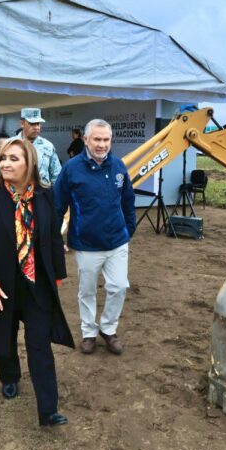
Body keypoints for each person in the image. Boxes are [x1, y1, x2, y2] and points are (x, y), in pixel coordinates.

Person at [0, 138, 74, 427]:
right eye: (3, 158)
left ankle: (47, 409)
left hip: (36, 284)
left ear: (30, 163)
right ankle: (9, 377)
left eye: (13, 158)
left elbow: (53, 237)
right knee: (4, 335)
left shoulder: (45, 195)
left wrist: (57, 276)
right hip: (2, 284)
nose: (5, 163)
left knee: (39, 343)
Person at [54, 119, 136, 355]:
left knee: (119, 286)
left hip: (117, 242)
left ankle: (108, 329)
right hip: (86, 244)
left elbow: (128, 201)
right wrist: (56, 237)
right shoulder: (71, 169)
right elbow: (58, 206)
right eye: (97, 139)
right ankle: (89, 332)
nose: (102, 144)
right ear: (86, 140)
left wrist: (128, 230)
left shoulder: (118, 165)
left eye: (106, 139)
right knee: (87, 291)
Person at [0, 108, 61, 185]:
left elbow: (56, 175)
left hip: (41, 190)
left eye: (38, 124)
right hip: (15, 190)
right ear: (22, 123)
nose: (36, 127)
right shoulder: (9, 144)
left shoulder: (47, 146)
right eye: (32, 124)